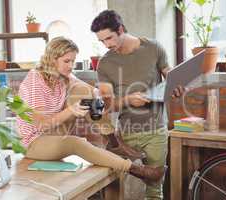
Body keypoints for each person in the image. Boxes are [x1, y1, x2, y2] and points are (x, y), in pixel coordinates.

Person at [16, 36, 166, 184]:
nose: (70, 66)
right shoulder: (36, 80)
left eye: (73, 61)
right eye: (66, 61)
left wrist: (96, 96)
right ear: (51, 59)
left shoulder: (63, 76)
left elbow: (88, 89)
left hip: (54, 133)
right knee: (75, 143)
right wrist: (71, 110)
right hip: (34, 143)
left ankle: (113, 143)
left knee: (82, 90)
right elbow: (43, 125)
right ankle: (138, 170)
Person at [91, 10, 183, 200]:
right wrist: (127, 100)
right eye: (102, 41)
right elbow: (106, 106)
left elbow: (170, 75)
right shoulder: (105, 64)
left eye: (109, 38)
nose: (107, 45)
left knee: (155, 188)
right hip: (126, 133)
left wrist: (176, 85)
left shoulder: (154, 48)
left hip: (156, 130)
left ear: (121, 29)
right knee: (114, 184)